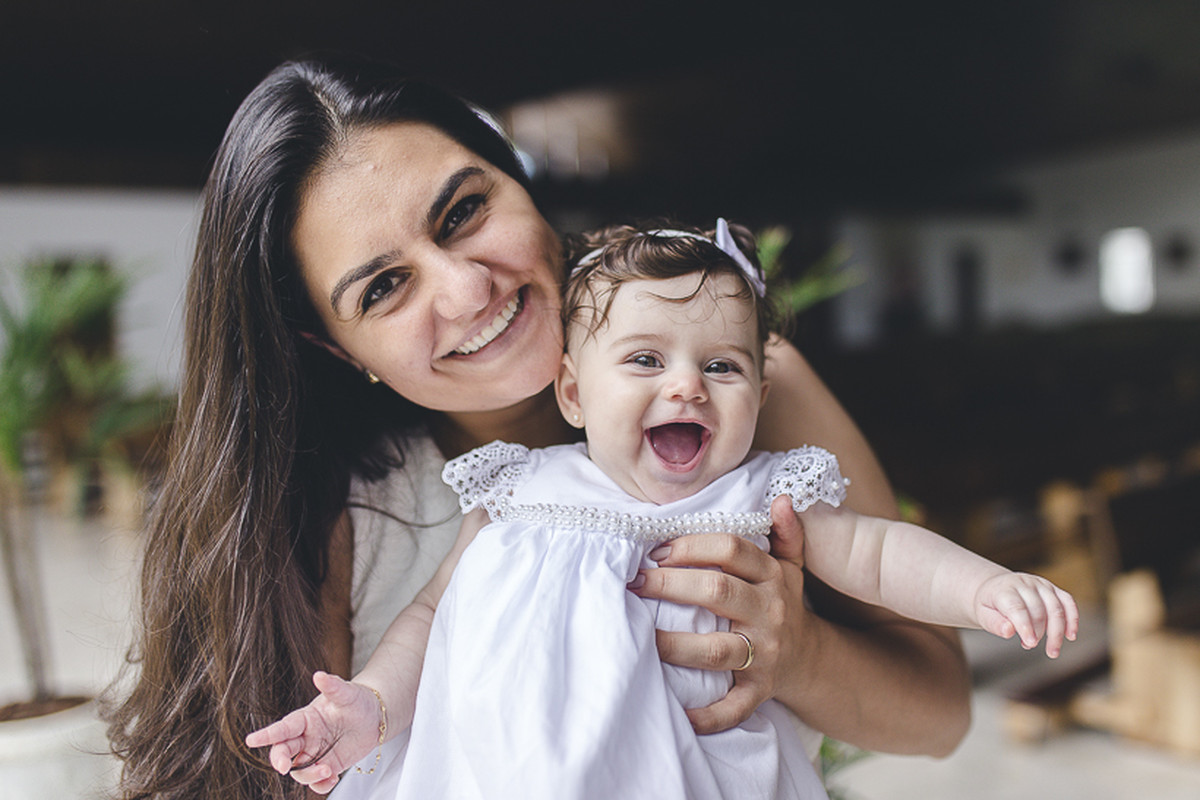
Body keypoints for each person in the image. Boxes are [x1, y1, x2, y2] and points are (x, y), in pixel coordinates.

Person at [105, 56, 973, 800]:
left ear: (519, 181)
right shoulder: (337, 509)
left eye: (463, 212)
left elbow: (941, 713)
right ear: (335, 349)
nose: (466, 290)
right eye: (382, 289)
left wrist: (802, 656)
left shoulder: (733, 384)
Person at [246, 220, 1078, 798]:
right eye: (645, 359)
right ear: (574, 390)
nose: (686, 384)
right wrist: (374, 704)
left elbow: (884, 555)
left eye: (722, 368)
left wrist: (988, 588)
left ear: (761, 385)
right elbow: (432, 617)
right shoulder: (522, 488)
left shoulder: (757, 494)